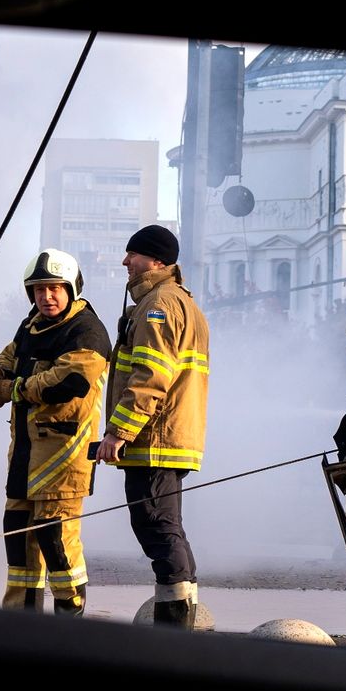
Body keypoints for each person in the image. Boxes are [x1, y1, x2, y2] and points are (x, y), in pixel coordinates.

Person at [0, 249, 111, 615]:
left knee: (55, 534)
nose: (46, 297)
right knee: (17, 530)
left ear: (71, 289)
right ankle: (20, 620)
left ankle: (69, 612)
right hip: (25, 451)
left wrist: (12, 389)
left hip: (64, 453)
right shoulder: (31, 325)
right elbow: (12, 354)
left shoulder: (87, 332)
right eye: (38, 289)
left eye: (54, 288)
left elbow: (68, 382)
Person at [94, 224, 210, 628]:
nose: (126, 261)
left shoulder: (158, 305)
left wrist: (118, 432)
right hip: (168, 436)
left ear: (156, 260)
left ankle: (173, 628)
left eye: (134, 254)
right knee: (165, 527)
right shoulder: (178, 301)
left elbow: (150, 376)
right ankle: (182, 619)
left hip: (155, 439)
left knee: (157, 527)